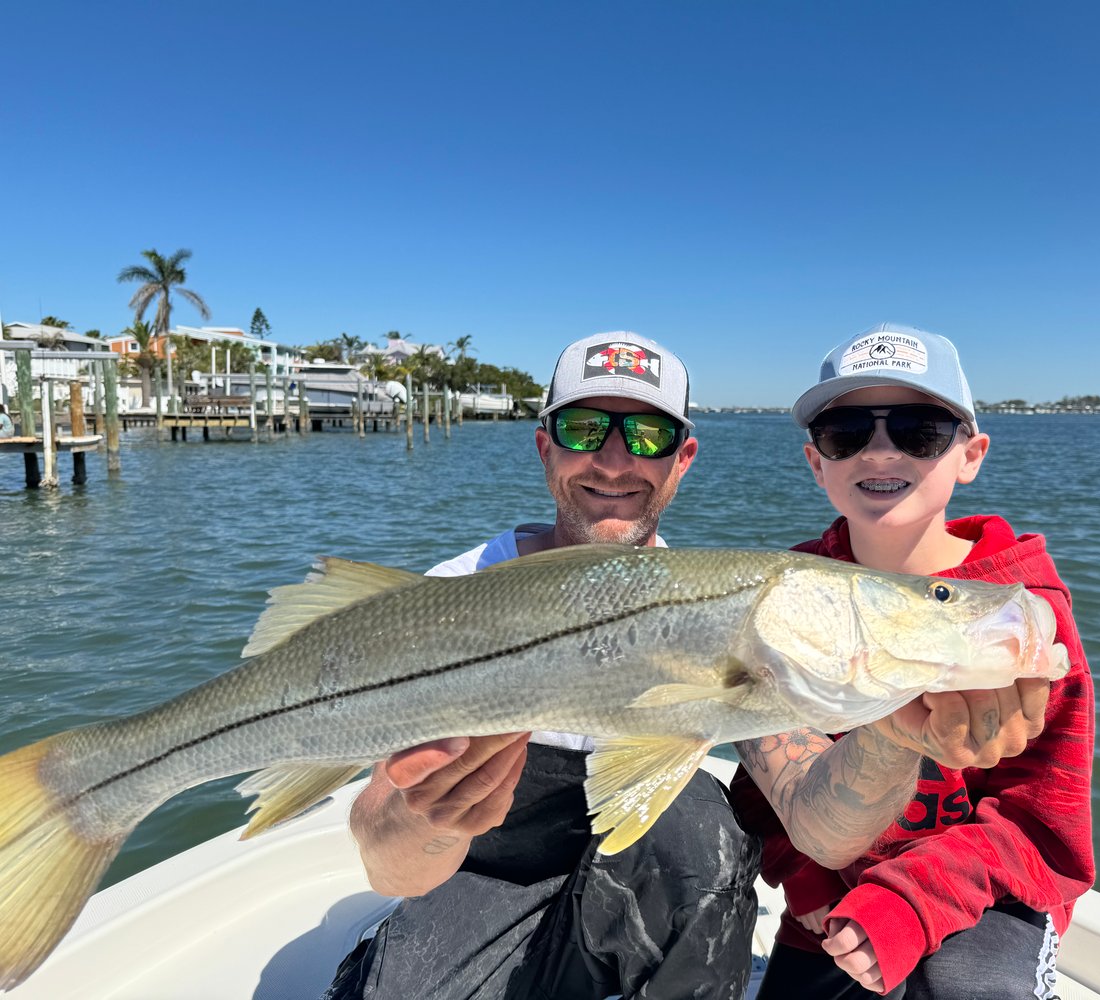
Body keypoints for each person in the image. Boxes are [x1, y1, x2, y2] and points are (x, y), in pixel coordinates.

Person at [325, 330, 1053, 1000]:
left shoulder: (735, 619)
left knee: (704, 830)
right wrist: (433, 819)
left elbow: (819, 825)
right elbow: (391, 866)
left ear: (682, 458)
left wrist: (896, 732)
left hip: (626, 897)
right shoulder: (445, 596)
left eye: (647, 434)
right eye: (585, 429)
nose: (613, 461)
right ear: (544, 448)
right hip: (481, 876)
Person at [730, 322, 1096, 999]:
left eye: (917, 429)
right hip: (832, 895)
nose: (878, 452)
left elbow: (1040, 825)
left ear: (970, 454)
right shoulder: (785, 593)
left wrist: (908, 902)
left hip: (988, 896)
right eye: (846, 433)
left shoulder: (1020, 618)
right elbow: (760, 782)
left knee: (968, 987)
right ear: (816, 462)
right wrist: (804, 877)